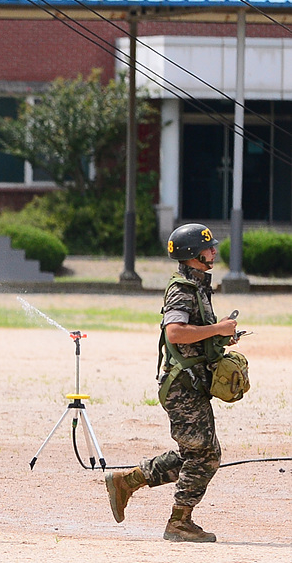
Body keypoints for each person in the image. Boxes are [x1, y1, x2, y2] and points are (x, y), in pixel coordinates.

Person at [104, 223, 238, 542]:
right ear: (192, 254)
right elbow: (175, 332)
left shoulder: (198, 285)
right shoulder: (182, 288)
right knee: (206, 454)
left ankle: (128, 481)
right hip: (182, 385)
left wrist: (219, 339)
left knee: (196, 452)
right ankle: (178, 522)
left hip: (191, 382)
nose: (213, 251)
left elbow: (191, 335)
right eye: (208, 248)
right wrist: (218, 329)